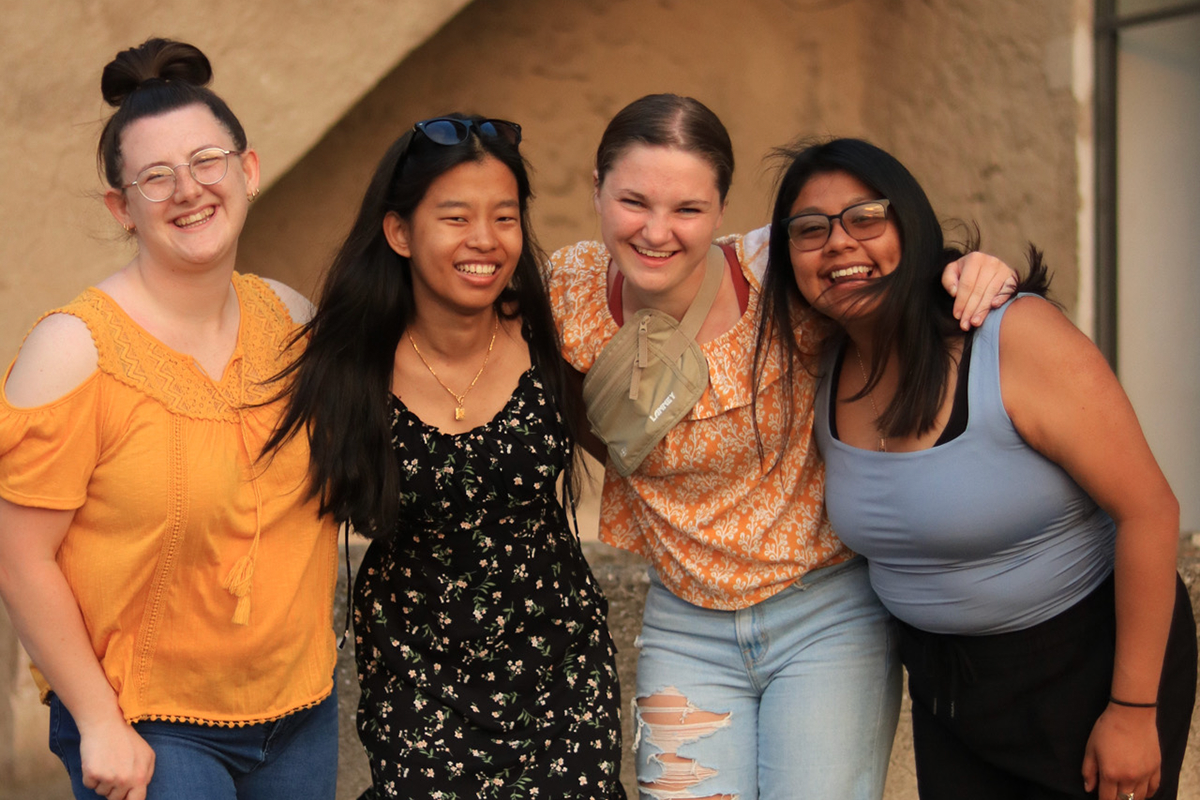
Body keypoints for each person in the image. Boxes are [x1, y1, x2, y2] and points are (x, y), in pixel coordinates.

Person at [544, 94, 1017, 800]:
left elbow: (887, 270)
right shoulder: (567, 287)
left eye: (688, 210)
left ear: (722, 208)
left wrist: (973, 269)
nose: (657, 232)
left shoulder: (776, 273)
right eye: (633, 202)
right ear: (596, 189)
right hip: (684, 618)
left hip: (827, 614)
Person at [760, 136, 1196, 800]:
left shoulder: (1012, 335)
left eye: (866, 217)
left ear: (910, 225)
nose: (839, 242)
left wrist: (1134, 713)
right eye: (810, 230)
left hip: (1084, 667)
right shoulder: (821, 361)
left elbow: (1150, 512)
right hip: (948, 692)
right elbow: (681, 245)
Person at [0, 39, 340, 800]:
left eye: (207, 162)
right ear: (122, 208)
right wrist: (97, 721)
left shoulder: (292, 321)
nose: (189, 190)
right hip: (148, 722)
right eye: (156, 177)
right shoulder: (73, 349)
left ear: (247, 171)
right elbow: (20, 560)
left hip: (299, 713)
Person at [266, 115, 623, 799]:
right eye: (456, 217)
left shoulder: (554, 335)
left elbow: (644, 445)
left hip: (559, 654)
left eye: (505, 217)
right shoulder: (349, 364)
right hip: (415, 662)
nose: (485, 241)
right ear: (399, 232)